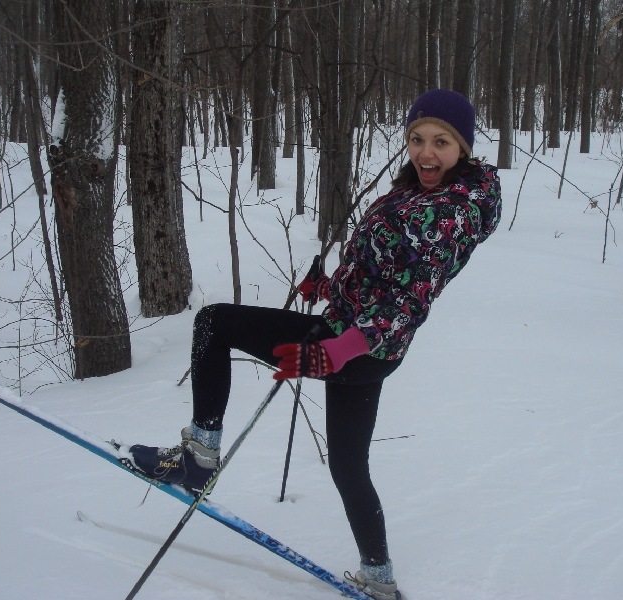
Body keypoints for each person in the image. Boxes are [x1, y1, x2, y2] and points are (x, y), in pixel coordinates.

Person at [127, 89, 502, 600]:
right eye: (417, 138)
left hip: (354, 345)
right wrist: (329, 287)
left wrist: (339, 350)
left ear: (463, 148)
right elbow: (387, 273)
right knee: (348, 466)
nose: (426, 152)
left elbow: (410, 302)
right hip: (367, 351)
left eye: (441, 141)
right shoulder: (420, 191)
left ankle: (198, 456)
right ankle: (379, 577)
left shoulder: (448, 212)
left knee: (214, 323)